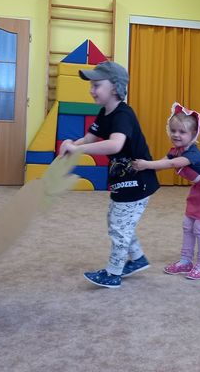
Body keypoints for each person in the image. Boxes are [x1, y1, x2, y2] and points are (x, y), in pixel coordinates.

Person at [59, 61, 159, 288]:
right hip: (123, 180)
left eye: (96, 85)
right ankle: (138, 258)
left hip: (138, 180)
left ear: (114, 87)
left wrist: (79, 150)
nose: (91, 90)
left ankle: (113, 273)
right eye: (91, 85)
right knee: (116, 221)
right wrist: (72, 145)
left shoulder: (123, 114)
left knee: (120, 227)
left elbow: (115, 145)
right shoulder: (105, 113)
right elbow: (89, 138)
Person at [132, 103, 200, 280]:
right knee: (188, 224)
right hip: (199, 189)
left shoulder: (192, 153)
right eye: (173, 130)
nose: (176, 135)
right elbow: (163, 163)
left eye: (182, 132)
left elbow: (172, 164)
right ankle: (186, 261)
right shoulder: (176, 150)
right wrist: (143, 169)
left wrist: (146, 164)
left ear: (193, 135)